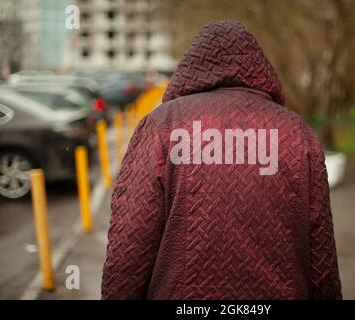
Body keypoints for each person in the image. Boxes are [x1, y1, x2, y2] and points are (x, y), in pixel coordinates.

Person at [101, 20, 342, 300]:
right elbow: (321, 252)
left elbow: (129, 248)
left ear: (191, 67)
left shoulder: (162, 127)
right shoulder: (296, 133)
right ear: (258, 68)